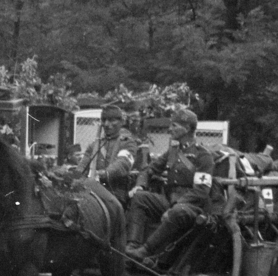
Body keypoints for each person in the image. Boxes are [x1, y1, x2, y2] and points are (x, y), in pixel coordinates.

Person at [127, 108, 216, 262]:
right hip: (170, 202)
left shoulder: (203, 156)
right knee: (140, 198)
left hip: (191, 207)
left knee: (176, 211)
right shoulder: (173, 152)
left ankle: (145, 250)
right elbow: (148, 170)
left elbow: (201, 192)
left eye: (174, 125)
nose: (170, 129)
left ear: (187, 128)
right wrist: (140, 185)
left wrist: (177, 204)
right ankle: (132, 246)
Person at [76, 104, 143, 205]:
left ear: (121, 122)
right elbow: (82, 167)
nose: (107, 124)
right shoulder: (93, 146)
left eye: (112, 120)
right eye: (104, 120)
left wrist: (104, 174)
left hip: (115, 195)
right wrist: (74, 177)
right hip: (91, 191)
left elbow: (122, 164)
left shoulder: (127, 143)